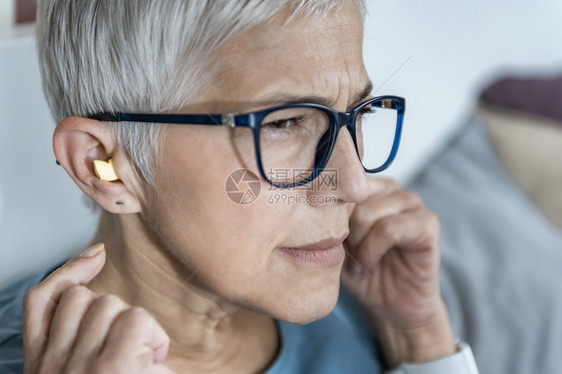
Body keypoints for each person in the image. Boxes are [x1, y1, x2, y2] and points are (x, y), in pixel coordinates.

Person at [0, 0, 479, 373]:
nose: (354, 184)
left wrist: (417, 340)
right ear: (103, 165)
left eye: (359, 114)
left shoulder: (355, 298)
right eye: (284, 123)